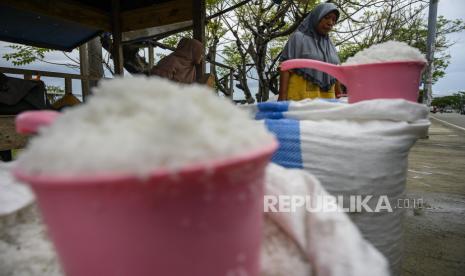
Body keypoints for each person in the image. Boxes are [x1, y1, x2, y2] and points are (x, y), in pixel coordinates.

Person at [278, 2, 341, 101]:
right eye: (327, 17)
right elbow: (285, 68)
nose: (330, 23)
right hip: (301, 101)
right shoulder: (298, 37)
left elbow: (336, 73)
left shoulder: (330, 45)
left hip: (328, 103)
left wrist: (339, 97)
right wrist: (282, 99)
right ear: (316, 17)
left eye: (334, 20)